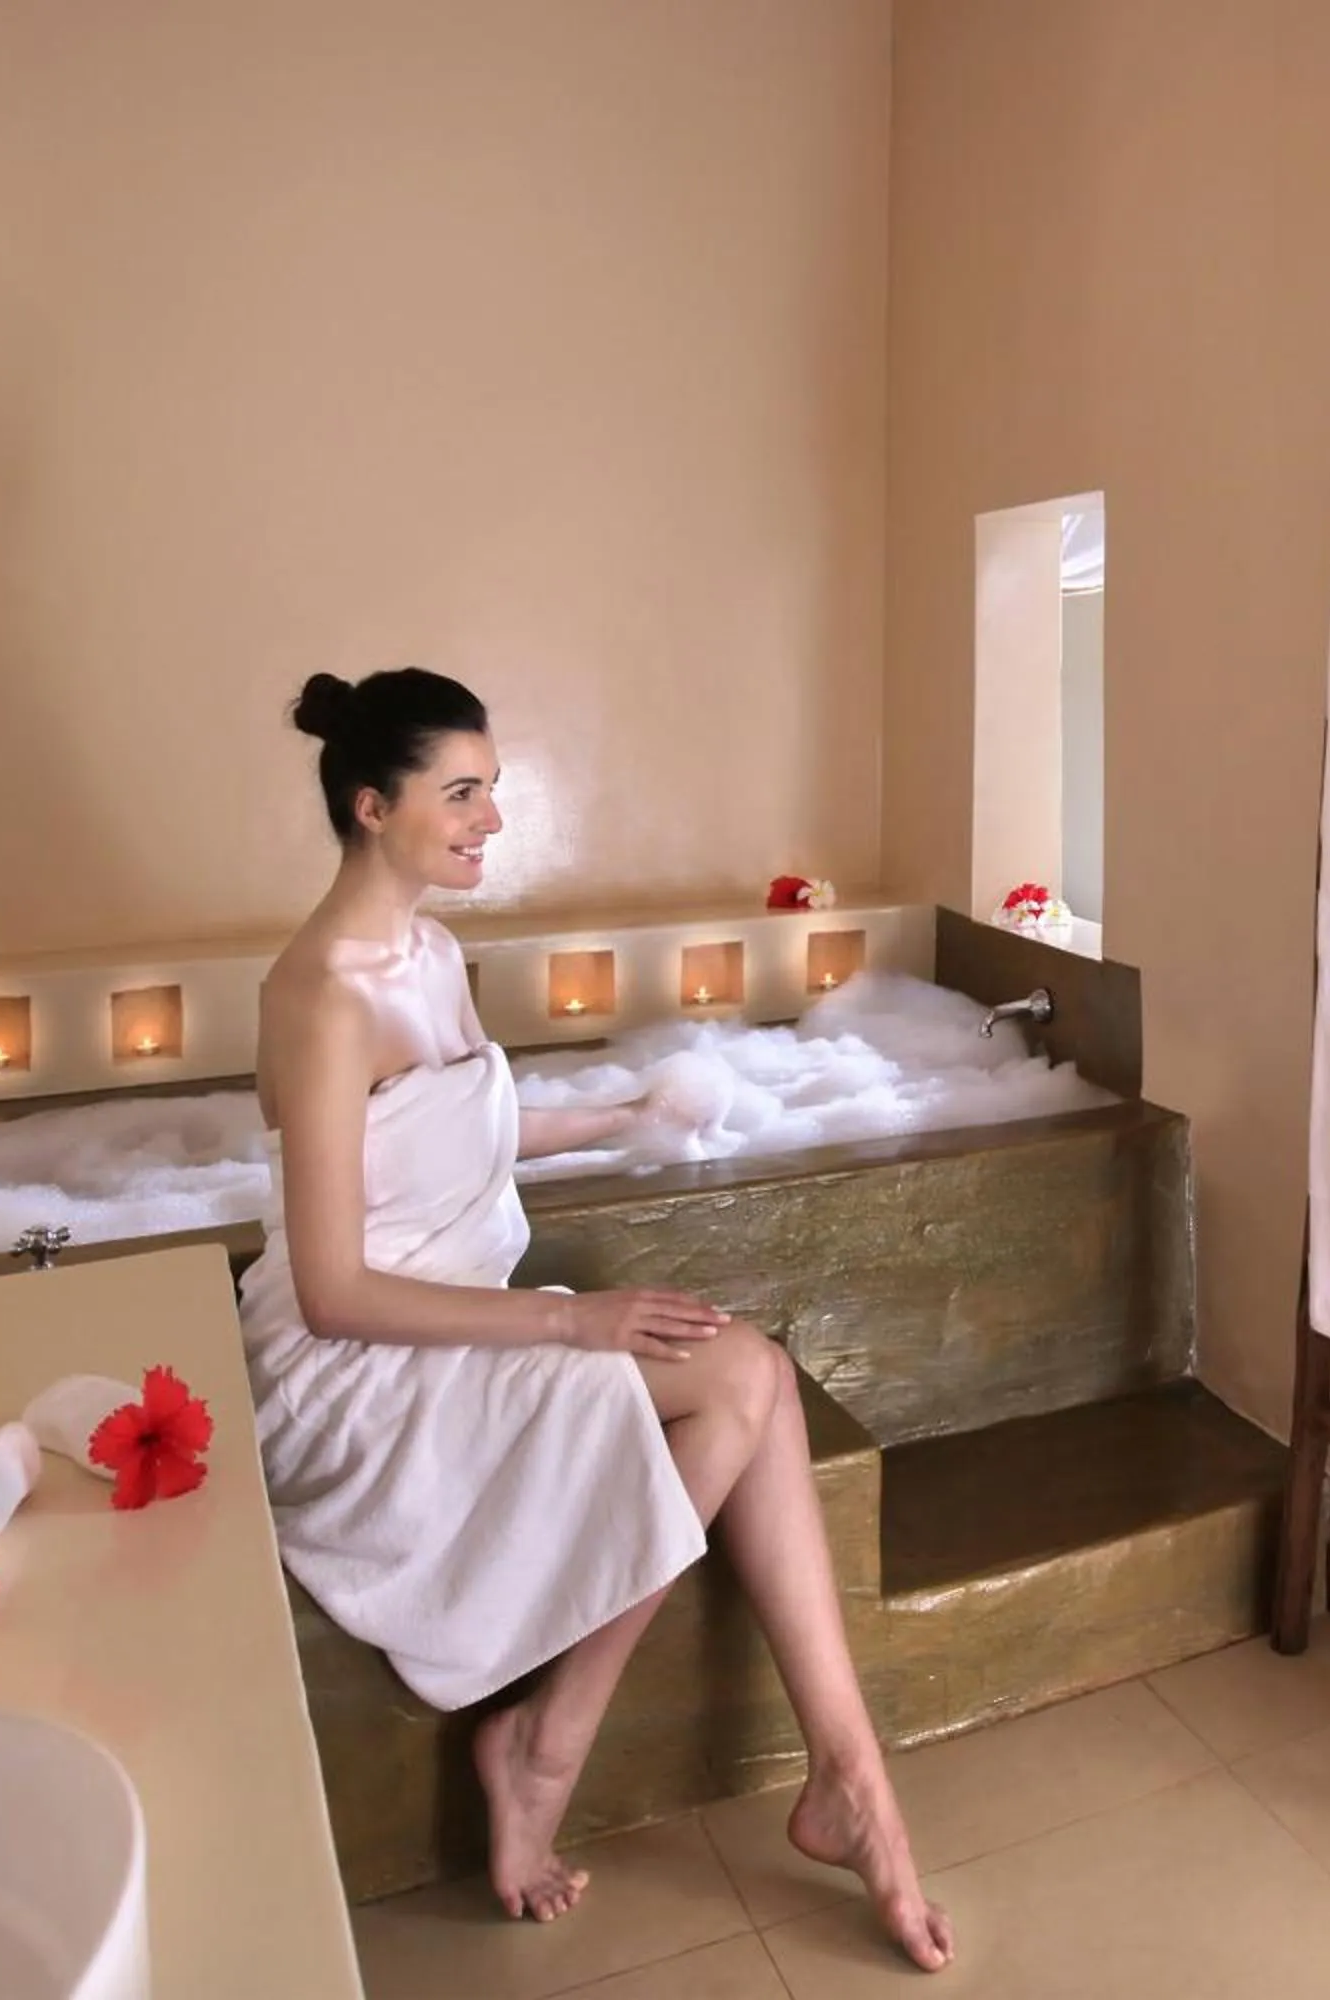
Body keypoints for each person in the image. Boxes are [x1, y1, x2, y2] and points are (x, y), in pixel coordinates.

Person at [239, 667, 949, 1967]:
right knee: (738, 1379)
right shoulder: (318, 994)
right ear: (369, 804)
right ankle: (571, 1748)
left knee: (748, 1376)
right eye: (462, 794)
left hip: (449, 1314)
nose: (490, 821)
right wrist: (577, 1325)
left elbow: (463, 1138)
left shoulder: (432, 953)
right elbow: (336, 1291)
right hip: (356, 1370)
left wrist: (628, 1120)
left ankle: (834, 1782)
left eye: (492, 792)